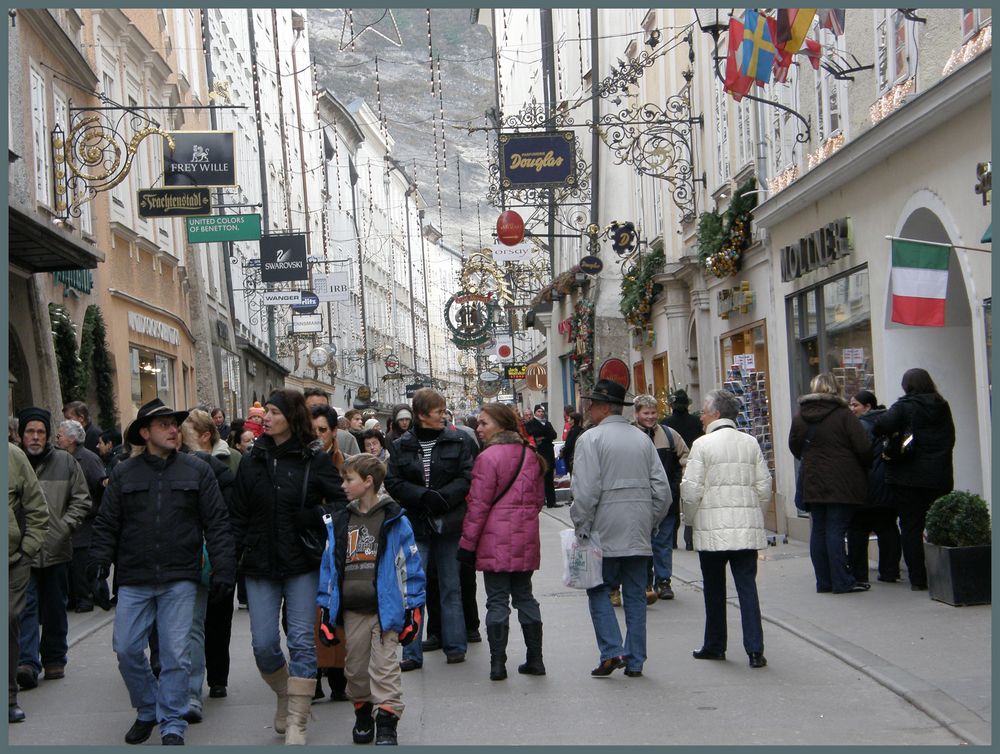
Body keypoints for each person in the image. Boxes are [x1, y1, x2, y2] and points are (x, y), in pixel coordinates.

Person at [88, 398, 235, 745]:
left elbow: (217, 523)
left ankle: (172, 722)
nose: (173, 430)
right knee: (125, 648)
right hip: (135, 577)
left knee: (175, 653)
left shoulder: (197, 470)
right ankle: (146, 708)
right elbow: (107, 523)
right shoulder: (124, 472)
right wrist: (97, 568)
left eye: (175, 424)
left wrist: (225, 570)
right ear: (144, 433)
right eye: (164, 425)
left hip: (180, 576)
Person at [230, 389, 348, 745]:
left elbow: (343, 505)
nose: (266, 417)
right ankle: (284, 693)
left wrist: (312, 515)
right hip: (260, 562)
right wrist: (230, 559)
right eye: (265, 411)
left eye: (273, 412)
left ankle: (297, 718)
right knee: (264, 644)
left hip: (301, 562)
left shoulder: (314, 458)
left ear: (291, 417)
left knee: (300, 641)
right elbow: (237, 513)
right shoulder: (252, 460)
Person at [318, 453, 426, 746]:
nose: (342, 485)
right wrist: (326, 611)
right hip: (353, 610)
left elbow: (410, 566)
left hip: (386, 608)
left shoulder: (395, 520)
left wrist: (413, 610)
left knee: (385, 667)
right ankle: (363, 711)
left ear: (368, 482)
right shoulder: (341, 520)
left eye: (348, 479)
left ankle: (387, 720)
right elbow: (329, 567)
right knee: (355, 668)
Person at [570, 380, 670, 678]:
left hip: (602, 531)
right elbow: (662, 491)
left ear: (602, 407)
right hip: (637, 529)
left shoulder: (590, 439)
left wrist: (581, 526)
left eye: (591, 404)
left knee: (598, 588)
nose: (588, 408)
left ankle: (612, 651)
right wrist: (649, 521)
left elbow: (585, 492)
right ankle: (636, 659)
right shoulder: (642, 439)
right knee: (636, 595)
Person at [385, 388, 478, 670]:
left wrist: (444, 497)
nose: (443, 415)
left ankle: (455, 646)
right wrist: (421, 496)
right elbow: (394, 481)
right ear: (423, 415)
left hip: (449, 523)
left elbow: (467, 476)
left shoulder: (458, 440)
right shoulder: (402, 445)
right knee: (414, 589)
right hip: (416, 524)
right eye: (438, 411)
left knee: (451, 586)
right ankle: (411, 652)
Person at [680, 389, 771, 669]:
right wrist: (755, 514)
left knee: (714, 589)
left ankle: (715, 645)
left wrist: (691, 521)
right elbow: (764, 486)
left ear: (716, 414)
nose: (702, 417)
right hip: (745, 530)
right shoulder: (750, 443)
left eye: (705, 412)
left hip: (712, 530)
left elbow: (691, 491)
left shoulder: (703, 445)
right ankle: (755, 650)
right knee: (747, 589)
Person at [457, 403, 547, 681]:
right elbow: (537, 501)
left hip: (494, 540)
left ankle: (498, 664)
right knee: (525, 597)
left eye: (484, 423)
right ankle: (535, 659)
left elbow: (478, 506)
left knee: (496, 601)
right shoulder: (529, 455)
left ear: (501, 424)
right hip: (524, 538)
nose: (478, 429)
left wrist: (467, 545)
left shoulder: (488, 458)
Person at [15, 408, 92, 691]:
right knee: (25, 607)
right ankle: (27, 663)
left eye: (40, 432)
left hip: (57, 549)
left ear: (48, 436)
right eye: (29, 432)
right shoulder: (14, 462)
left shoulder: (64, 462)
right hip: (23, 552)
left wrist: (63, 528)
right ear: (21, 435)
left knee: (55, 606)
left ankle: (54, 658)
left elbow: (82, 499)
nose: (35, 437)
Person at [789, 373, 873, 595]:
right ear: (835, 389)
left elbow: (795, 447)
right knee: (836, 529)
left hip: (813, 479)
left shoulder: (800, 416)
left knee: (819, 529)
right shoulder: (844, 415)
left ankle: (824, 581)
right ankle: (842, 581)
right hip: (842, 479)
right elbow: (863, 447)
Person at [873, 368, 956, 591]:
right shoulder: (942, 405)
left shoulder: (904, 406)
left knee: (910, 527)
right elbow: (950, 437)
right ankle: (944, 574)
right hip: (938, 475)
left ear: (906, 386)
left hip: (907, 477)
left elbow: (880, 426)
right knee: (938, 524)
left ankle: (919, 579)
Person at [179, 411, 240, 709]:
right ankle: (189, 685)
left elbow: (231, 514)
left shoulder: (228, 462)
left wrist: (229, 555)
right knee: (191, 624)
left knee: (215, 619)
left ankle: (215, 679)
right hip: (187, 554)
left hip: (214, 551)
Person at [307, 403, 349, 704]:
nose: (317, 435)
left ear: (333, 432)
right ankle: (312, 673)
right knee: (304, 614)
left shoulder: (341, 461)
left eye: (322, 430)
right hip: (307, 543)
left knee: (333, 610)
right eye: (313, 430)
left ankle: (337, 676)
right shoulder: (303, 460)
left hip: (335, 542)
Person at [632, 395, 689, 602]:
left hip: (667, 500)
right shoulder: (630, 436)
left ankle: (663, 581)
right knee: (643, 544)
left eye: (653, 413)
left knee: (663, 542)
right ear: (636, 413)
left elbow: (685, 459)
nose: (650, 417)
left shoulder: (669, 435)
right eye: (645, 413)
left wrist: (676, 485)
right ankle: (646, 581)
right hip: (639, 501)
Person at [8, 443, 49, 723]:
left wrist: (26, 550)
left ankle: (8, 697)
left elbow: (37, 508)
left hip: (12, 561)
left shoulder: (13, 455)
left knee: (8, 618)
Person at [846, 391, 901, 585]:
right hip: (887, 482)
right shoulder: (888, 422)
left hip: (866, 484)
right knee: (887, 527)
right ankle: (890, 571)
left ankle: (858, 573)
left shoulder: (862, 426)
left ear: (868, 406)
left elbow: (859, 454)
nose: (852, 409)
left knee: (857, 529)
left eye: (855, 405)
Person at [53, 420, 107, 613]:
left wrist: (94, 509)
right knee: (73, 564)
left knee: (81, 565)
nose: (57, 439)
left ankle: (88, 598)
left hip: (86, 523)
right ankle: (75, 598)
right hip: (70, 521)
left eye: (60, 436)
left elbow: (102, 486)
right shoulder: (62, 458)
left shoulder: (88, 459)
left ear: (72, 439)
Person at [663, 389, 703, 551]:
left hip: (673, 469)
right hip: (693, 466)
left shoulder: (666, 423)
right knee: (691, 503)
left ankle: (671, 540)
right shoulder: (696, 422)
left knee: (672, 506)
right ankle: (690, 540)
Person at [184, 409, 241, 476]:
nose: (183, 437)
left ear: (205, 436)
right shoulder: (181, 459)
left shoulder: (235, 458)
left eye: (188, 434)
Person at [305, 388, 360, 456]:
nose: (318, 412)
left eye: (323, 407)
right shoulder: (294, 438)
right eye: (313, 407)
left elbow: (357, 464)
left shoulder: (346, 439)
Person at [524, 404, 560, 508]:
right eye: (539, 411)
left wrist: (543, 436)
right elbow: (533, 433)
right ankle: (541, 499)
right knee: (540, 477)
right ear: (535, 413)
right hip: (539, 453)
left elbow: (554, 435)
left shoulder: (547, 423)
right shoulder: (531, 423)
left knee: (549, 478)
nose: (541, 413)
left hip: (548, 452)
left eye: (542, 412)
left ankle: (551, 501)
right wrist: (544, 435)